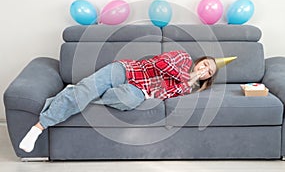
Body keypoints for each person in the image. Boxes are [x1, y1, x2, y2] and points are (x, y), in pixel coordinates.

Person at [19, 50, 218, 153]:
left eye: (209, 72)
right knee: (88, 89)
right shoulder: (183, 58)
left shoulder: (186, 88)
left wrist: (186, 83)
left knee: (127, 100)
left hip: (139, 91)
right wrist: (185, 75)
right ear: (200, 60)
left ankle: (75, 93)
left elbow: (163, 95)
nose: (205, 69)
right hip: (126, 70)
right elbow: (160, 63)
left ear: (207, 79)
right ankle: (39, 127)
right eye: (206, 64)